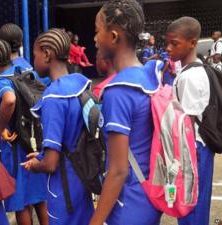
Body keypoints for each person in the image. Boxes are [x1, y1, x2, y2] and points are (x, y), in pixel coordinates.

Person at [89, 1, 161, 224]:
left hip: (128, 206)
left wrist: (96, 221)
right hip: (149, 195)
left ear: (113, 37)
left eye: (97, 31)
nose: (94, 38)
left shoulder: (118, 91)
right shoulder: (149, 75)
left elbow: (119, 170)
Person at [21, 28, 95, 225]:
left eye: (34, 54)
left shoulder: (53, 98)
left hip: (64, 189)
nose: (32, 59)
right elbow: (69, 138)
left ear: (46, 54)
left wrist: (37, 164)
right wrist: (40, 155)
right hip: (82, 178)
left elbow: (51, 164)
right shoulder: (79, 83)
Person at [0, 39, 47, 225]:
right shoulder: (23, 71)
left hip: (15, 142)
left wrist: (1, 128)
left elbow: (7, 100)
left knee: (20, 197)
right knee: (38, 192)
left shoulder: (1, 80)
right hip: (33, 136)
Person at [165, 16, 213, 225]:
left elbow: (186, 125)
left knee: (190, 205)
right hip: (198, 149)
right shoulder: (193, 70)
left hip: (193, 150)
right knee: (196, 204)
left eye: (174, 44)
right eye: (167, 42)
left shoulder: (190, 77)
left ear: (193, 43)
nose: (168, 48)